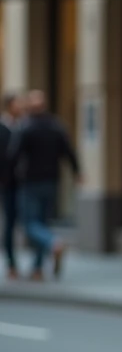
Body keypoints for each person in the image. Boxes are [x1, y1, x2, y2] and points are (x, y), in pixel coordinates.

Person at [8, 89, 81, 281]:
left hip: (30, 182)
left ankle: (53, 243)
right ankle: (38, 268)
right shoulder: (56, 126)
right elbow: (69, 151)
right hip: (51, 181)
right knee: (43, 222)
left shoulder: (26, 127)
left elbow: (13, 155)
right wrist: (77, 172)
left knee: (30, 224)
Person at [1, 92, 25, 280]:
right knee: (9, 223)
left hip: (26, 184)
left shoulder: (25, 126)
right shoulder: (2, 128)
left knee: (28, 221)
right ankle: (11, 263)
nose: (21, 107)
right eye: (18, 104)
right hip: (7, 184)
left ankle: (37, 265)